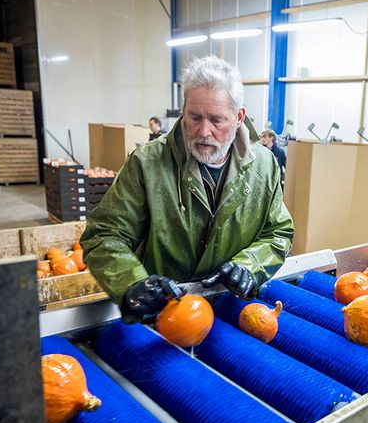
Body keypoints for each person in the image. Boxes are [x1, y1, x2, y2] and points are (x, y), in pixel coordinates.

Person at [81, 56, 294, 323]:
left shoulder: (264, 166)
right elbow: (103, 234)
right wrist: (130, 283)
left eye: (217, 120)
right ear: (184, 110)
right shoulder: (148, 163)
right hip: (166, 315)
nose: (204, 131)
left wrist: (250, 266)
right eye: (194, 117)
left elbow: (278, 232)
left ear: (239, 117)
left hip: (231, 310)